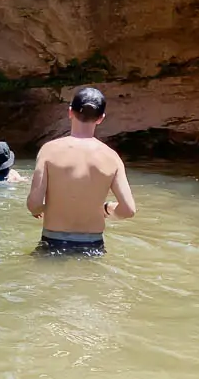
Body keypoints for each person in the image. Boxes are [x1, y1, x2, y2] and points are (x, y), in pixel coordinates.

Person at [26, 87, 136, 255]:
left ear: (70, 112)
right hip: (93, 246)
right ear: (100, 118)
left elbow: (33, 204)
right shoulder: (112, 158)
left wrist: (45, 209)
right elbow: (128, 210)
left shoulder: (49, 150)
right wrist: (107, 209)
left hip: (53, 242)